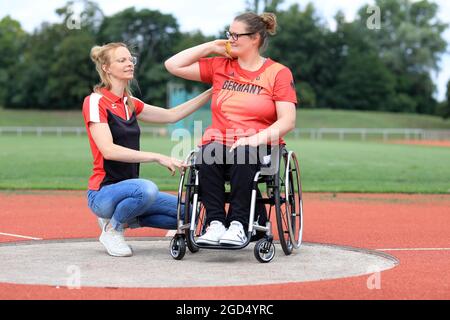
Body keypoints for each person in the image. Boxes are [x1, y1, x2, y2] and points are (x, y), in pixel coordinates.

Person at [164, 12, 297, 246]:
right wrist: (210, 47)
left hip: (259, 143)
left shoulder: (278, 73)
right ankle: (215, 223)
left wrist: (253, 140)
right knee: (206, 154)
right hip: (220, 141)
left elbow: (287, 121)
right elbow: (172, 65)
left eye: (236, 35)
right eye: (229, 34)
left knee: (243, 153)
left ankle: (238, 224)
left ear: (255, 38)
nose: (230, 39)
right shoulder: (220, 66)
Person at [83, 42, 212, 257]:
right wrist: (157, 157)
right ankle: (112, 228)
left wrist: (211, 92)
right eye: (121, 60)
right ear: (106, 68)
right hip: (103, 192)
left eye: (130, 60)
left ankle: (125, 218)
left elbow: (172, 115)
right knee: (147, 189)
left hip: (129, 190)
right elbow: (109, 151)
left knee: (190, 212)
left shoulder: (130, 103)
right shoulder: (95, 101)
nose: (129, 64)